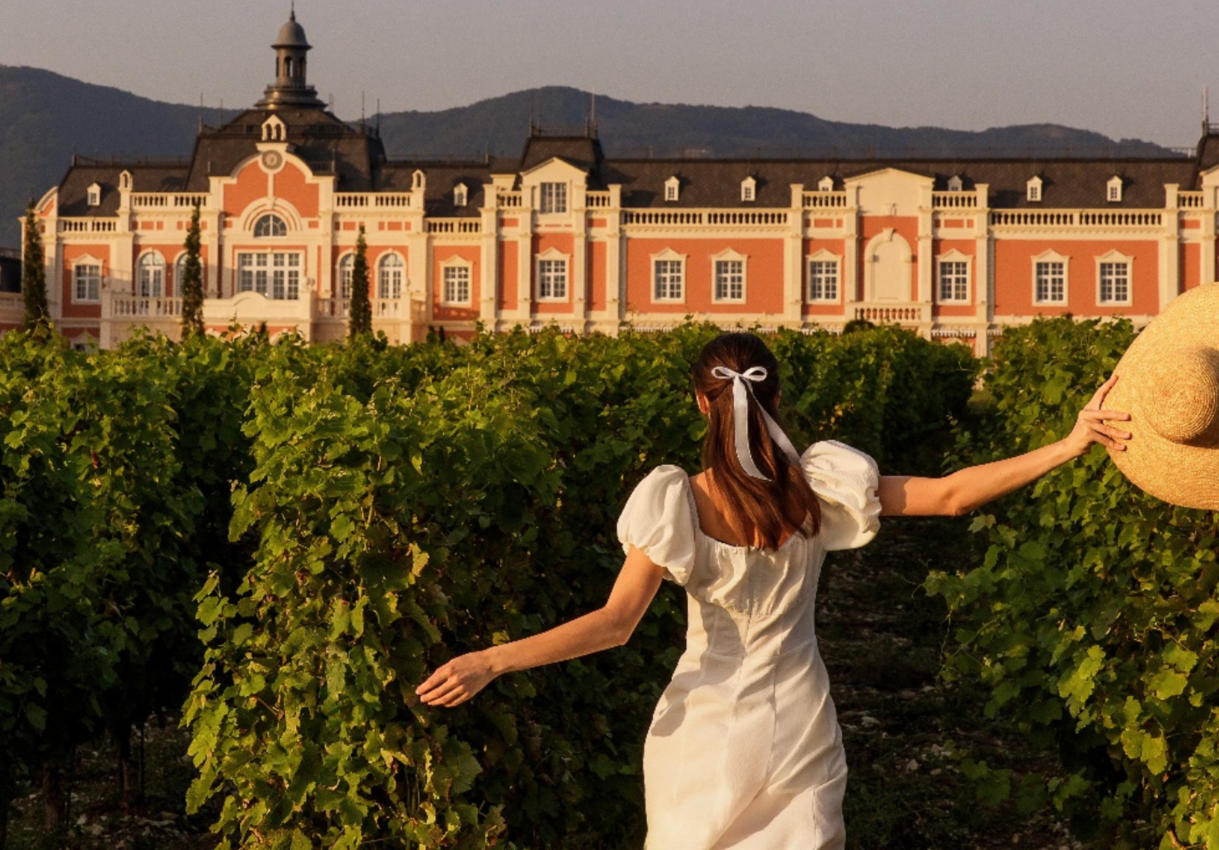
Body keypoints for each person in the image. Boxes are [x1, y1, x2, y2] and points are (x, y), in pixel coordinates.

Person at [416, 331, 1129, 849]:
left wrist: (492, 659)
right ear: (776, 396)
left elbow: (614, 623)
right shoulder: (818, 487)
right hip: (798, 721)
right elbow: (949, 495)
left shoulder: (677, 499)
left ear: (701, 404)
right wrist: (1069, 443)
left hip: (703, 728)